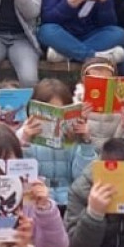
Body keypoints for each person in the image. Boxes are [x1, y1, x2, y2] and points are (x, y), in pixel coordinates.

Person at [18, 80, 98, 210]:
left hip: (69, 200)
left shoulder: (73, 135)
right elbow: (21, 175)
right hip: (36, 200)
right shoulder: (24, 135)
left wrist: (86, 143)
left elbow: (82, 178)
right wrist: (24, 143)